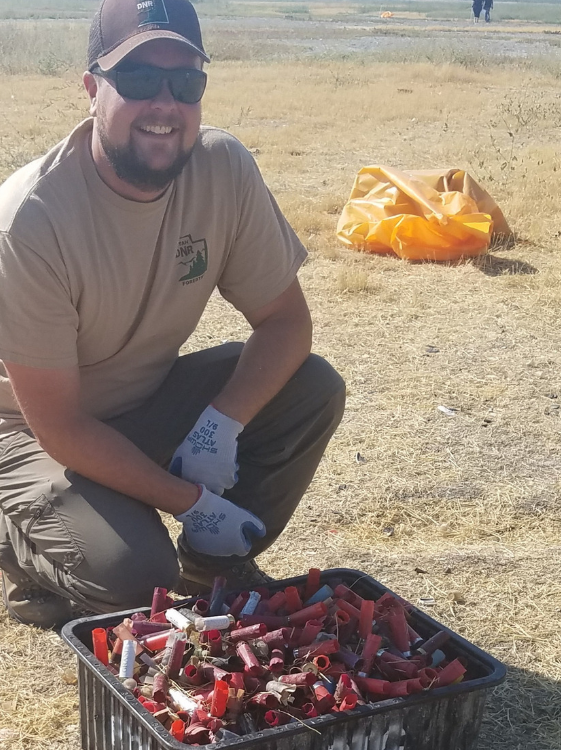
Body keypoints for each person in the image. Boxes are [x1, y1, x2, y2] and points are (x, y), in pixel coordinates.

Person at [0, 0, 346, 629]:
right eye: (136, 79)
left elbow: (286, 322)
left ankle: (211, 568)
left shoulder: (223, 168)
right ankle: (23, 551)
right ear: (90, 89)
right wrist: (191, 501)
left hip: (137, 403)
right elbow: (61, 426)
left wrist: (220, 423)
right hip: (27, 432)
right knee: (135, 578)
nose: (165, 103)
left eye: (185, 82)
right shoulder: (31, 220)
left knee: (311, 387)